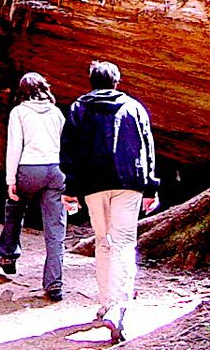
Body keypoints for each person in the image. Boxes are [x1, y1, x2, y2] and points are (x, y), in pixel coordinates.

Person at [60, 60, 159, 342]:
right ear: (117, 81)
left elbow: (69, 149)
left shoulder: (79, 108)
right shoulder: (134, 108)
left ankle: (105, 304)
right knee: (125, 243)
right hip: (130, 183)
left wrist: (71, 188)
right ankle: (119, 307)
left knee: (103, 241)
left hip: (93, 185)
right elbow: (146, 146)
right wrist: (151, 186)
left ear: (91, 80)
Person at [0, 72, 68, 302]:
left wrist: (10, 180)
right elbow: (66, 143)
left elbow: (14, 146)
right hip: (56, 169)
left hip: (30, 168)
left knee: (15, 207)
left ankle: (7, 255)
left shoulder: (19, 112)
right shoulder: (56, 113)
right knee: (55, 229)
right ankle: (54, 284)